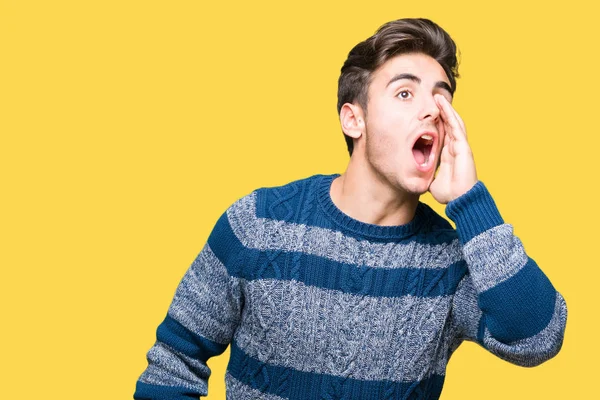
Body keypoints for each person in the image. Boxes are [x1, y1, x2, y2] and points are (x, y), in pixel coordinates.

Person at [133, 18, 567, 400]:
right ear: (352, 120)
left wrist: (470, 202)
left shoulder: (451, 262)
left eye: (442, 98)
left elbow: (538, 338)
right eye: (404, 93)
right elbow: (175, 361)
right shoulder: (258, 222)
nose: (432, 112)